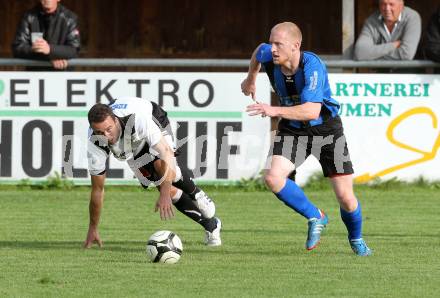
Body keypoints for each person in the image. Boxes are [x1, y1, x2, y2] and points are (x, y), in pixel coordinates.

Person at [241, 22, 372, 256]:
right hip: (293, 129)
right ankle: (316, 216)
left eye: (278, 44)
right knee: (272, 177)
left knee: (345, 197)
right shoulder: (269, 54)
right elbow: (258, 52)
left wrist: (274, 110)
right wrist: (251, 77)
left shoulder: (312, 65)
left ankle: (357, 239)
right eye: (271, 42)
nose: (272, 48)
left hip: (326, 129)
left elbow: (311, 111)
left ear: (296, 46)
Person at [83, 97, 222, 248]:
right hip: (132, 145)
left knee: (163, 168)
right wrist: (93, 228)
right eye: (99, 132)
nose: (106, 137)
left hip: (154, 117)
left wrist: (164, 192)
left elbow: (166, 152)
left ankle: (196, 193)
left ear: (115, 121)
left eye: (109, 129)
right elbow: (97, 190)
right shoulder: (95, 142)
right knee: (160, 183)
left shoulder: (137, 119)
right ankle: (211, 224)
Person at [11, 0, 80, 70]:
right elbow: (17, 48)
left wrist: (50, 50)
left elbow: (74, 49)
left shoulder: (70, 18)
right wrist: (48, 56)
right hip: (35, 76)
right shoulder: (28, 17)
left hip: (62, 75)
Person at [353, 0, 421, 61]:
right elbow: (360, 53)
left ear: (401, 6)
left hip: (408, 72)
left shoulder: (412, 18)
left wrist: (372, 56)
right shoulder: (371, 21)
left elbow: (406, 54)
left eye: (391, 4)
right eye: (383, 4)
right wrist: (393, 45)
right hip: (381, 73)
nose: (387, 9)